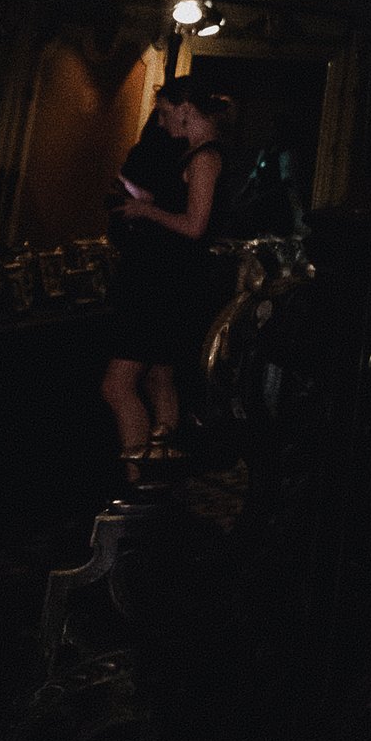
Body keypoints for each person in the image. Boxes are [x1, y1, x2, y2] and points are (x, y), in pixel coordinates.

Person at [101, 81, 230, 482]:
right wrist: (148, 201)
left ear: (185, 108)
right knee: (160, 378)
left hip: (165, 284)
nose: (160, 121)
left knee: (117, 385)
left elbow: (195, 226)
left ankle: (138, 481)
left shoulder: (206, 156)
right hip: (171, 280)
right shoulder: (194, 153)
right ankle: (159, 477)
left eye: (163, 113)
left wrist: (146, 212)